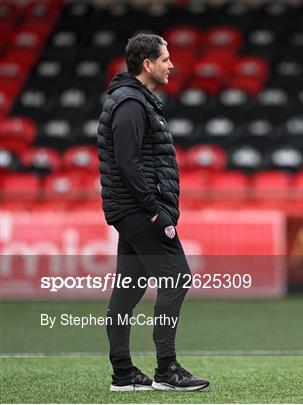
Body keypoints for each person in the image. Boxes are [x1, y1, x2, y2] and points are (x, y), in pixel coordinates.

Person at [97, 33, 209, 392]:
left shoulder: (135, 100)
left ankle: (123, 373)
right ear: (147, 64)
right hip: (139, 210)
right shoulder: (131, 103)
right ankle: (167, 369)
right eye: (165, 59)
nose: (171, 65)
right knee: (177, 278)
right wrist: (154, 211)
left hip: (131, 210)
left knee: (127, 292)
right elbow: (128, 164)